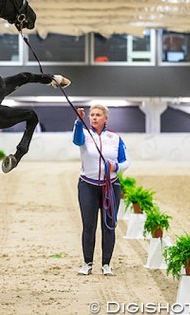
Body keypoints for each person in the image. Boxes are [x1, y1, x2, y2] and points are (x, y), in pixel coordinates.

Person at [72, 104, 130, 276]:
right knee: (89, 226)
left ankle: (106, 264)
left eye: (98, 115)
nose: (94, 118)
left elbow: (126, 161)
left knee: (109, 226)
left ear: (105, 118)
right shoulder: (84, 135)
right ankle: (87, 263)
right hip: (87, 186)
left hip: (110, 186)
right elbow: (76, 140)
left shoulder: (115, 138)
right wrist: (78, 122)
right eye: (92, 115)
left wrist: (116, 166)